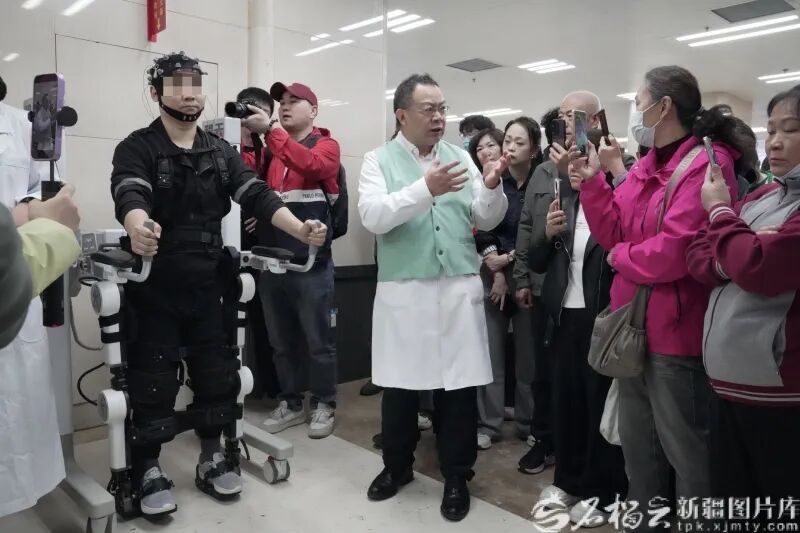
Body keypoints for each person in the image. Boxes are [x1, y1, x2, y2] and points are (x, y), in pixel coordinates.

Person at [109, 52, 327, 516]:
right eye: (177, 86)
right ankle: (147, 466)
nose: (189, 94)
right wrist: (137, 227)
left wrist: (300, 229)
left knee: (217, 373)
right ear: (156, 93)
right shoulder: (137, 147)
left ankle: (213, 456)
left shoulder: (220, 152)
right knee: (153, 379)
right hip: (156, 282)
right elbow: (130, 191)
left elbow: (257, 195)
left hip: (211, 281)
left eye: (195, 85)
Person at [570, 65, 747, 531]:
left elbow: (675, 251)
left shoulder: (707, 163)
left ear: (663, 106)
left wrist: (621, 257)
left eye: (638, 102)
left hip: (675, 333)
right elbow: (613, 229)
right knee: (639, 454)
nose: (635, 112)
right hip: (632, 326)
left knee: (689, 457)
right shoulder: (647, 164)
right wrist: (593, 183)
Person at [359, 73, 508, 522]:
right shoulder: (378, 160)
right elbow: (373, 215)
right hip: (406, 290)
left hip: (457, 286)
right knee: (401, 387)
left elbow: (484, 217)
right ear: (402, 115)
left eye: (443, 108)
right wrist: (426, 188)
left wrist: (493, 186)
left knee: (458, 389)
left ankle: (457, 475)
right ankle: (397, 467)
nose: (439, 117)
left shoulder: (460, 156)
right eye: (429, 109)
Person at [686, 84, 800, 514]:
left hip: (780, 394)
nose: (775, 142)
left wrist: (721, 214)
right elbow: (698, 256)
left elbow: (760, 270)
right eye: (771, 129)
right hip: (726, 382)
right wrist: (739, 251)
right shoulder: (762, 196)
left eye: (791, 129)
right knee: (731, 507)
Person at [528, 159, 627, 526]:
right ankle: (566, 481)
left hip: (602, 319)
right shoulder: (565, 203)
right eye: (570, 156)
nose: (574, 164)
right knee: (565, 402)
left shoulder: (617, 203)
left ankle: (603, 492)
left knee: (599, 406)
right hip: (562, 318)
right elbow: (537, 262)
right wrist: (546, 234)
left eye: (584, 155)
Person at [241, 81, 341, 439]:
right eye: (281, 101)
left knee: (319, 341)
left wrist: (270, 131)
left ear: (313, 110)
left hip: (312, 264)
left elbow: (311, 166)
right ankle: (291, 402)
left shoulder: (326, 146)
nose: (284, 106)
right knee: (281, 343)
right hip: (273, 263)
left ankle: (325, 403)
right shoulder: (272, 152)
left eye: (294, 101)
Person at [514, 91, 603, 476]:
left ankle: (585, 460)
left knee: (585, 383)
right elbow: (527, 228)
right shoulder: (543, 171)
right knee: (545, 375)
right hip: (545, 288)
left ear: (594, 122)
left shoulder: (604, 168)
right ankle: (545, 441)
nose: (567, 122)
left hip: (590, 297)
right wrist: (521, 276)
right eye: (563, 115)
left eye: (576, 116)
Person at [0, 75, 72, 518]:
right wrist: (24, 215)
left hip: (15, 278)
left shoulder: (22, 125)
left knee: (19, 415)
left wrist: (32, 210)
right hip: (15, 260)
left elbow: (50, 186)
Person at [470, 119, 542, 450]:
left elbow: (538, 233)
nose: (510, 148)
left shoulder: (542, 182)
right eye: (508, 141)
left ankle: (529, 422)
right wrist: (496, 269)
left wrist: (510, 259)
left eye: (519, 142)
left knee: (527, 357)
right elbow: (480, 225)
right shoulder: (494, 180)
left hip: (528, 276)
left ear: (534, 148)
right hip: (492, 273)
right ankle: (489, 423)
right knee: (491, 353)